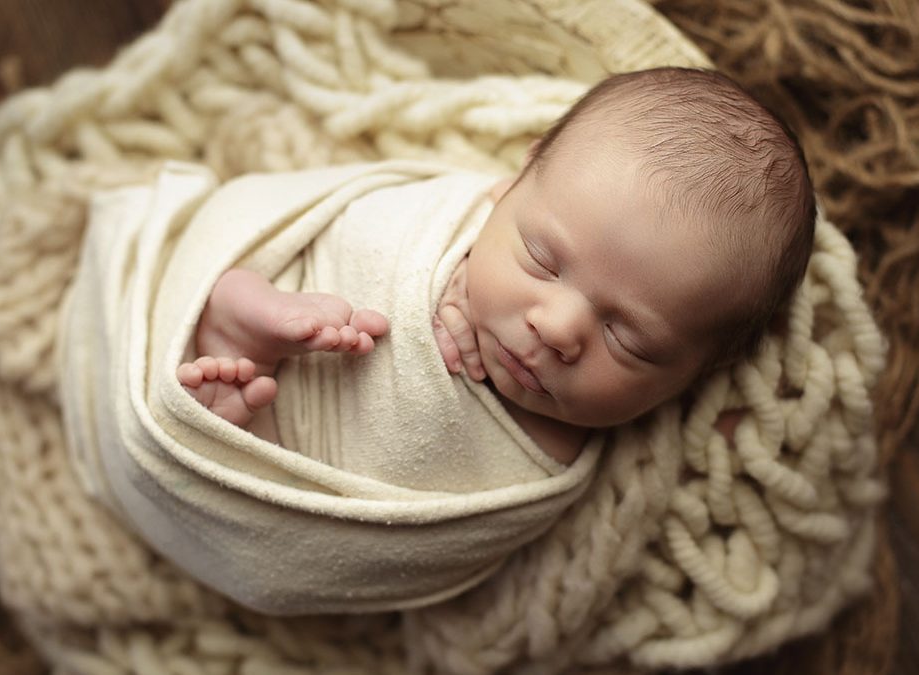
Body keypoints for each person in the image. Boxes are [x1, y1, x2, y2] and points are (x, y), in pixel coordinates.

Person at [175, 66, 815, 468]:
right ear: (516, 180)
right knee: (319, 298)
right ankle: (240, 319)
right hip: (327, 308)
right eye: (541, 259)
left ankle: (237, 410)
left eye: (629, 339)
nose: (557, 328)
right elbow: (402, 220)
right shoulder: (478, 211)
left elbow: (414, 551)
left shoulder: (573, 461)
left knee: (271, 488)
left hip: (296, 475)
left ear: (699, 373)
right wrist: (446, 267)